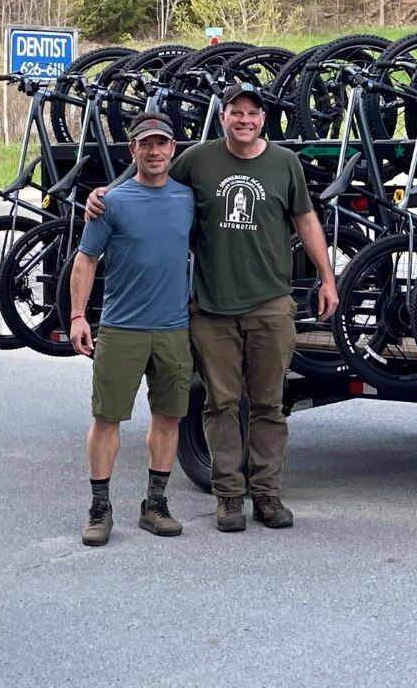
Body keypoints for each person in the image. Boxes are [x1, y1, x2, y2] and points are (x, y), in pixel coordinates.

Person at [88, 81, 338, 532]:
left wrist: (327, 277)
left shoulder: (284, 164)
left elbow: (305, 219)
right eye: (235, 112)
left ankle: (267, 495)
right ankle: (228, 497)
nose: (245, 119)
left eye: (253, 113)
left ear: (263, 119)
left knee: (268, 404)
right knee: (221, 405)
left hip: (270, 303)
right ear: (222, 117)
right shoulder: (198, 159)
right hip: (212, 308)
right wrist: (106, 192)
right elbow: (151, 171)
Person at [68, 110, 194, 547]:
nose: (155, 151)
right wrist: (78, 316)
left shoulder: (187, 198)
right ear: (133, 150)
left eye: (162, 143)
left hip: (173, 329)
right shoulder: (111, 201)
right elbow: (85, 261)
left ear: (173, 150)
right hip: (121, 328)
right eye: (146, 144)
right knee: (106, 419)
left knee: (169, 417)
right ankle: (99, 509)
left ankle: (154, 505)